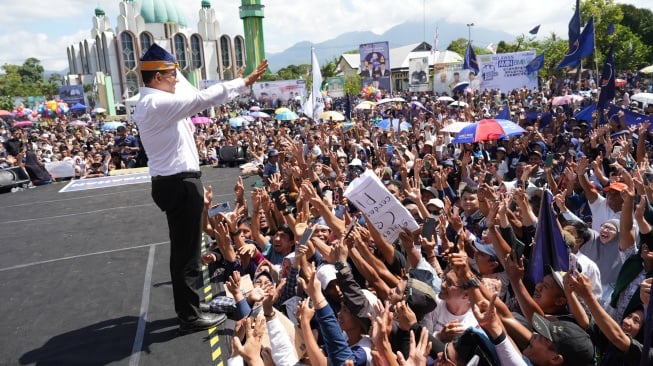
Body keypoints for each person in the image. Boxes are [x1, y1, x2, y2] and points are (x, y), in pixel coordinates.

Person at [132, 42, 268, 334]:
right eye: (171, 74)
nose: (175, 79)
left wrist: (173, 66)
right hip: (178, 183)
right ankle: (190, 315)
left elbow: (188, 91)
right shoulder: (157, 104)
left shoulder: (155, 98)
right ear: (157, 78)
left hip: (175, 182)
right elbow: (202, 98)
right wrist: (243, 82)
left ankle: (191, 305)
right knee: (186, 254)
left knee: (187, 252)